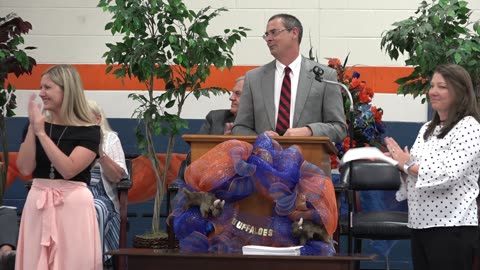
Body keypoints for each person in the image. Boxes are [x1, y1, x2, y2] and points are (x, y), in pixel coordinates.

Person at [384, 64, 480, 270]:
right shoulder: (427, 129)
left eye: (442, 87)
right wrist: (395, 162)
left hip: (452, 226)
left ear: (460, 91)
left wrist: (408, 164)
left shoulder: (469, 127)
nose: (433, 91)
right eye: (432, 85)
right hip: (421, 223)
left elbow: (448, 175)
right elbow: (415, 173)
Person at [16, 65, 102, 270]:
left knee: (72, 262)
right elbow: (25, 167)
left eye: (47, 87)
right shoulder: (36, 126)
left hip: (72, 205)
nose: (41, 93)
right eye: (40, 87)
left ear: (66, 90)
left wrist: (42, 135)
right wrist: (32, 129)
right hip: (37, 202)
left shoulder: (89, 131)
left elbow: (69, 169)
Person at [232, 13, 347, 142]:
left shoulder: (324, 76)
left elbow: (339, 128)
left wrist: (309, 131)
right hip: (264, 158)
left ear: (294, 33)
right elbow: (240, 128)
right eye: (266, 35)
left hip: (308, 157)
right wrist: (261, 138)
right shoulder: (254, 78)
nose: (268, 39)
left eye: (274, 32)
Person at [88, 100, 128, 266]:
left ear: (97, 119)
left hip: (101, 197)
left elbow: (118, 176)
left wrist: (99, 151)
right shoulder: (70, 138)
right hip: (73, 192)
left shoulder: (110, 139)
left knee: (95, 209)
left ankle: (93, 264)